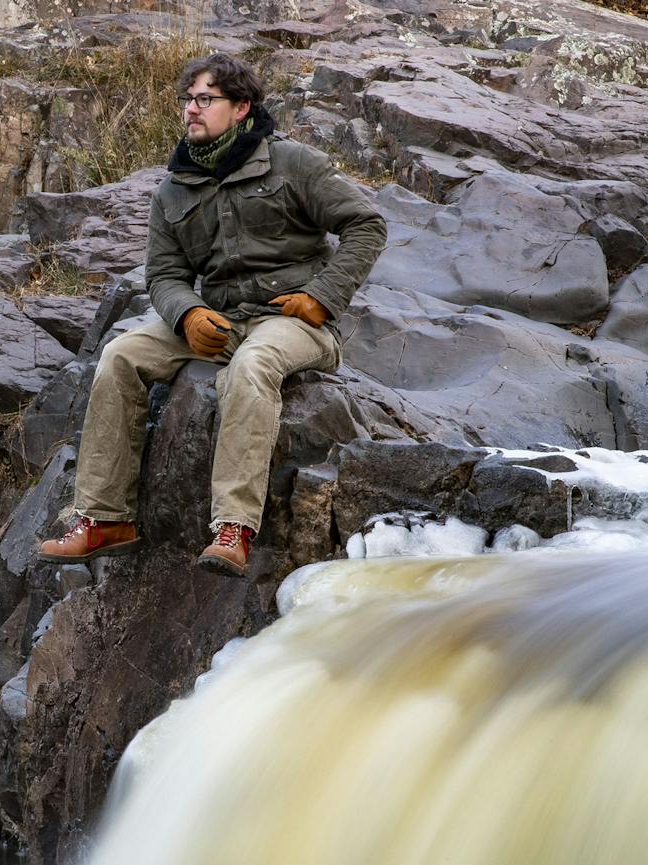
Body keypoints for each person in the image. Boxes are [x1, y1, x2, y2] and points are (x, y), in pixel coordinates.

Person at [35, 53, 387, 576]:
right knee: (120, 355)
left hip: (294, 322)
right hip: (218, 318)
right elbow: (163, 275)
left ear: (241, 106)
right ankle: (106, 520)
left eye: (206, 100)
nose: (191, 111)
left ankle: (234, 529)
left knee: (251, 366)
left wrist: (322, 295)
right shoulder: (175, 187)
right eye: (188, 100)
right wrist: (187, 315)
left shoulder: (294, 163)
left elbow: (367, 224)